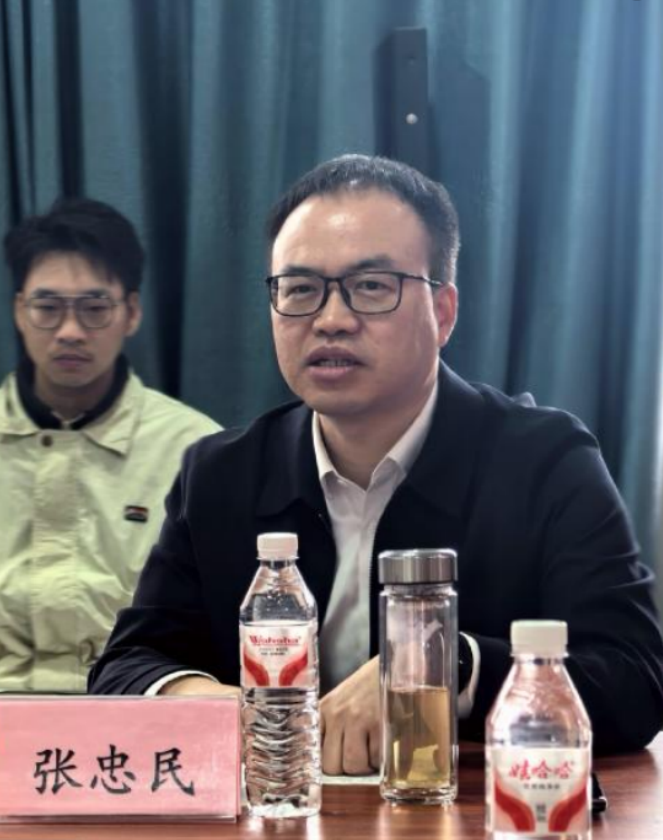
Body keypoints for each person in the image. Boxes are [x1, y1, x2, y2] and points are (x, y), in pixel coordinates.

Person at [88, 156, 663, 769]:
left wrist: (440, 666)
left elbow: (633, 679)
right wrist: (220, 706)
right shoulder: (220, 474)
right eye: (300, 290)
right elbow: (127, 665)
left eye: (371, 287)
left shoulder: (545, 462)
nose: (331, 320)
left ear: (443, 313)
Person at [0, 198, 221, 693]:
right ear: (19, 311)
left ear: (132, 312)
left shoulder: (197, 451)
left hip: (132, 717)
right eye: (48, 308)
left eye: (95, 309)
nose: (70, 332)